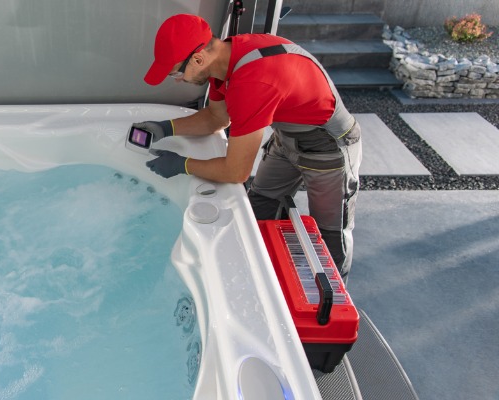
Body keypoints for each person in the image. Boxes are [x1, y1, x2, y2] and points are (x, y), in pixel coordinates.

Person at [135, 14, 361, 278]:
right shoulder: (226, 57)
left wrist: (182, 164)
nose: (178, 79)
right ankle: (270, 282)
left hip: (328, 144)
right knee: (259, 207)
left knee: (329, 235)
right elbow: (217, 118)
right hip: (287, 136)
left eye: (177, 72)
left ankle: (334, 307)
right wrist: (165, 128)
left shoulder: (252, 83)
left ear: (197, 59)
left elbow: (235, 172)